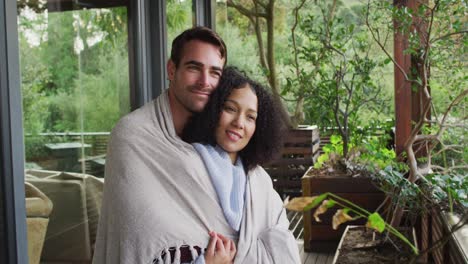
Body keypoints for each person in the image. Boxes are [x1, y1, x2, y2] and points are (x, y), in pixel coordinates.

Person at [93, 27, 237, 264]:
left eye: (215, 73)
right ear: (172, 69)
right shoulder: (132, 135)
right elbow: (141, 233)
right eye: (194, 67)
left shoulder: (221, 136)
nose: (205, 81)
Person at [183, 67, 301, 263]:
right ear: (213, 109)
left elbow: (282, 238)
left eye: (250, 117)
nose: (239, 123)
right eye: (230, 109)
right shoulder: (189, 163)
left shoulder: (259, 179)